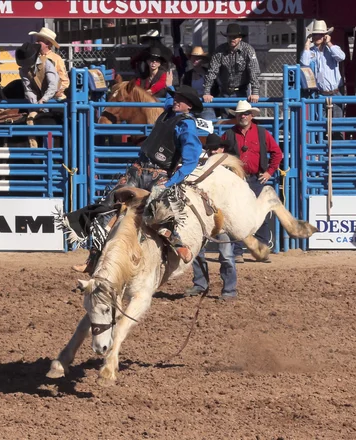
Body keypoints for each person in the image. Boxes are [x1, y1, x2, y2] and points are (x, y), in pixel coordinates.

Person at [66, 74, 203, 272]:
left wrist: (171, 182)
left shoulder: (186, 125)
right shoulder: (168, 112)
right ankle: (93, 259)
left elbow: (191, 160)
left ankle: (178, 244)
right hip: (138, 169)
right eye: (176, 98)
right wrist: (169, 86)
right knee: (108, 206)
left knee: (158, 214)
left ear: (189, 106)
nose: (176, 101)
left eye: (181, 100)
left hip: (160, 174)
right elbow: (166, 99)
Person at [222, 100, 283, 263]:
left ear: (251, 116)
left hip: (256, 178)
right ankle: (237, 251)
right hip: (237, 180)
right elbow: (220, 155)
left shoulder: (262, 133)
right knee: (236, 215)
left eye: (246, 114)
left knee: (259, 215)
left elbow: (277, 153)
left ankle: (260, 250)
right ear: (237, 116)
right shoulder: (229, 134)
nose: (243, 116)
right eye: (241, 114)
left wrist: (269, 172)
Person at [184, 133, 238, 301]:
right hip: (205, 217)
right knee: (198, 252)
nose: (212, 152)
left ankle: (229, 289)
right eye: (210, 150)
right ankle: (201, 284)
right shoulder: (202, 169)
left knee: (226, 255)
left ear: (222, 149)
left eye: (215, 149)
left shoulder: (230, 172)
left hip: (223, 217)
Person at [203, 23, 261, 111]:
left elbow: (253, 70)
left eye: (235, 37)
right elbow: (212, 71)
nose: (232, 39)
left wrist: (255, 92)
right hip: (224, 90)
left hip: (241, 91)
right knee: (225, 120)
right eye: (229, 37)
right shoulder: (219, 51)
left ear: (240, 38)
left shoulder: (248, 50)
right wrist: (207, 92)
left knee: (241, 116)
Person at [300, 20, 346, 119]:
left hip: (335, 92)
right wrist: (307, 45)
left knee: (337, 125)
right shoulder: (310, 51)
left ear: (325, 35)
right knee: (321, 125)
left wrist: (329, 43)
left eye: (320, 35)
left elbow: (341, 57)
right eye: (315, 34)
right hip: (319, 94)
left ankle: (336, 135)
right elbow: (304, 64)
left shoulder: (332, 49)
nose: (317, 37)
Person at [29, 27, 70, 101]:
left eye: (39, 41)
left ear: (48, 44)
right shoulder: (34, 57)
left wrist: (59, 91)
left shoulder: (56, 58)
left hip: (54, 96)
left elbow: (65, 80)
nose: (36, 42)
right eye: (37, 40)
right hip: (38, 94)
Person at [16, 42, 60, 108]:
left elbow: (53, 85)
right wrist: (35, 104)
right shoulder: (23, 70)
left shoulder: (46, 63)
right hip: (38, 99)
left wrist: (44, 99)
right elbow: (28, 89)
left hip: (55, 98)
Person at [181, 46, 217, 120]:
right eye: (193, 57)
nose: (195, 60)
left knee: (209, 124)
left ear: (203, 60)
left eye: (198, 58)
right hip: (191, 105)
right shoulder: (186, 75)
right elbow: (183, 90)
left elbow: (215, 88)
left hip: (206, 105)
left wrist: (209, 95)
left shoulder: (209, 73)